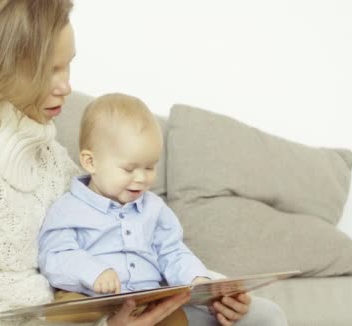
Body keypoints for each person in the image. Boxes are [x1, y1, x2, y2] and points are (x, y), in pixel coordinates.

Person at [0, 0, 286, 325]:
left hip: (97, 310)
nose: (67, 86)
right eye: (51, 70)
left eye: (68, 66)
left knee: (260, 315)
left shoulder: (43, 150)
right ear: (4, 66)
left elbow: (121, 228)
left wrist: (212, 287)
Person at [38, 94, 289, 326]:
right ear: (90, 161)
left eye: (150, 167)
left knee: (175, 315)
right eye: (129, 169)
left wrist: (197, 279)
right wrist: (93, 272)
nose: (141, 179)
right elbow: (55, 255)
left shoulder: (154, 208)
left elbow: (172, 251)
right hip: (91, 299)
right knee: (63, 313)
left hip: (149, 301)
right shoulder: (68, 208)